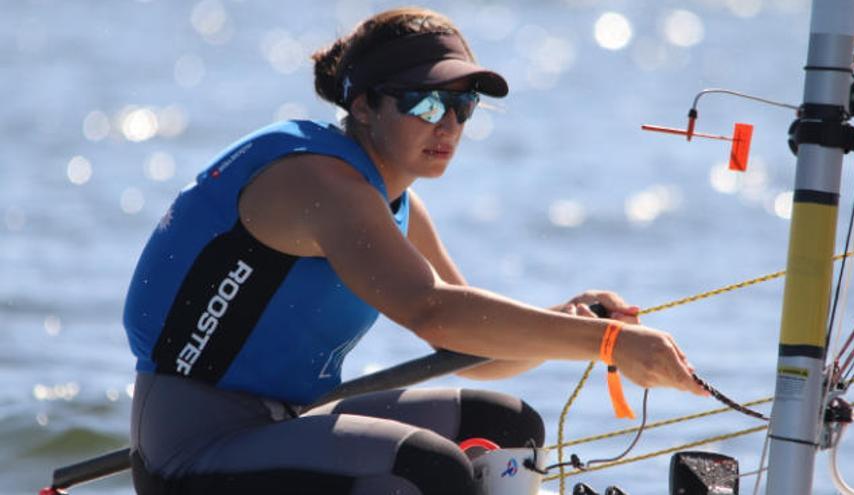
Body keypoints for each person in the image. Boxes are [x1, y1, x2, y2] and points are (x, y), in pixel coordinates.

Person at [122, 6, 706, 495]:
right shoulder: (321, 184)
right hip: (192, 451)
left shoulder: (397, 205)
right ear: (363, 106)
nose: (447, 124)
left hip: (286, 422)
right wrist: (609, 343)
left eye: (464, 105)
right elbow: (430, 309)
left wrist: (566, 323)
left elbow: (463, 343)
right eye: (425, 104)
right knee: (428, 470)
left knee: (506, 427)